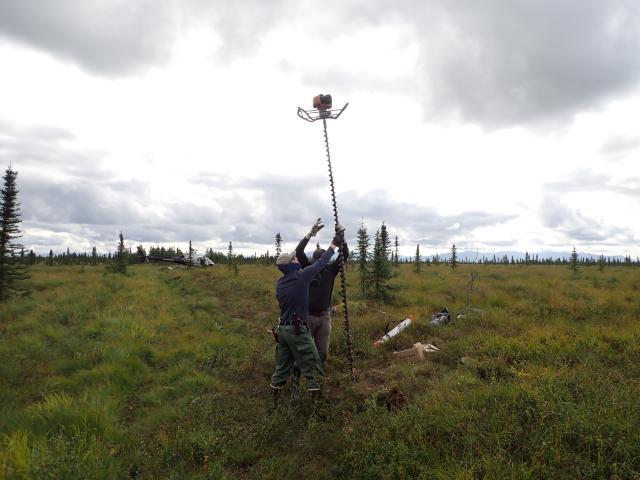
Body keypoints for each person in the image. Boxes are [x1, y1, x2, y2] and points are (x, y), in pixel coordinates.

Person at [269, 226, 345, 400]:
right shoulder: (302, 277)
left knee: (281, 368)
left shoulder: (280, 283)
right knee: (313, 364)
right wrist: (335, 242)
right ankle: (317, 406)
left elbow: (310, 259)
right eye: (294, 258)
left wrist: (309, 235)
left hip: (283, 331)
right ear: (291, 265)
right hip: (297, 330)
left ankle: (274, 403)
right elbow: (322, 261)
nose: (297, 258)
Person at [295, 219, 349, 363]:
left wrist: (342, 238)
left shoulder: (331, 270)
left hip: (324, 317)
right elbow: (299, 252)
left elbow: (345, 255)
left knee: (323, 351)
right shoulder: (308, 268)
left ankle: (317, 374)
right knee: (304, 350)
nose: (318, 266)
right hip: (307, 316)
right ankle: (299, 374)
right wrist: (309, 235)